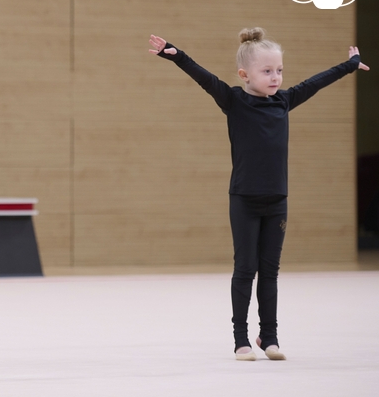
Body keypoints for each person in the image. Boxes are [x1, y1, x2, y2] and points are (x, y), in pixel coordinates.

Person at [148, 28, 369, 361]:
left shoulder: (284, 100)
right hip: (245, 200)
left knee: (270, 272)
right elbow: (203, 77)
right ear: (244, 74)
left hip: (277, 200)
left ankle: (269, 337)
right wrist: (173, 53)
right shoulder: (234, 100)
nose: (275, 77)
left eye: (279, 70)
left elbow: (316, 82)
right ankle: (240, 340)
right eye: (267, 71)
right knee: (245, 269)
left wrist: (349, 65)